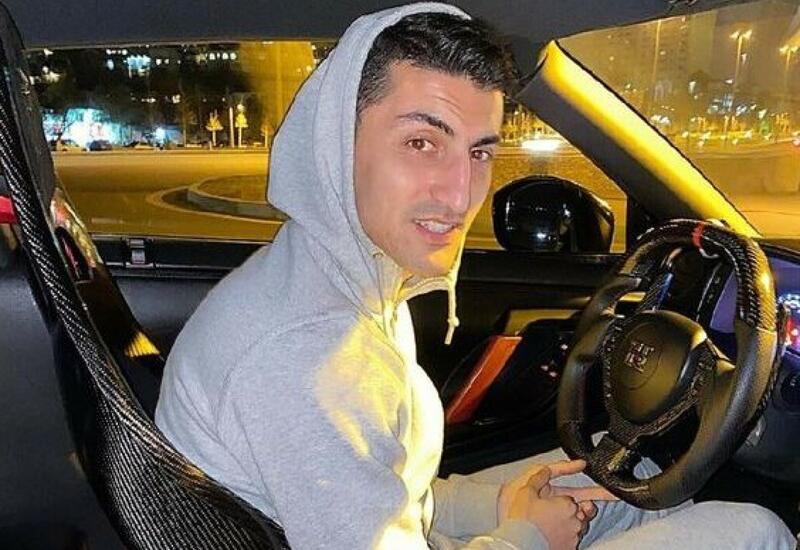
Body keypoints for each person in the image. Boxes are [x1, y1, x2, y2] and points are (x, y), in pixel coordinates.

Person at [155, 3, 796, 549]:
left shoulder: (341, 275)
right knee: (752, 529)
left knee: (628, 476)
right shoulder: (306, 359)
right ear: (335, 144)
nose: (461, 195)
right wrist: (525, 536)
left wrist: (500, 509)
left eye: (479, 151)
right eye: (422, 143)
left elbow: (394, 494)